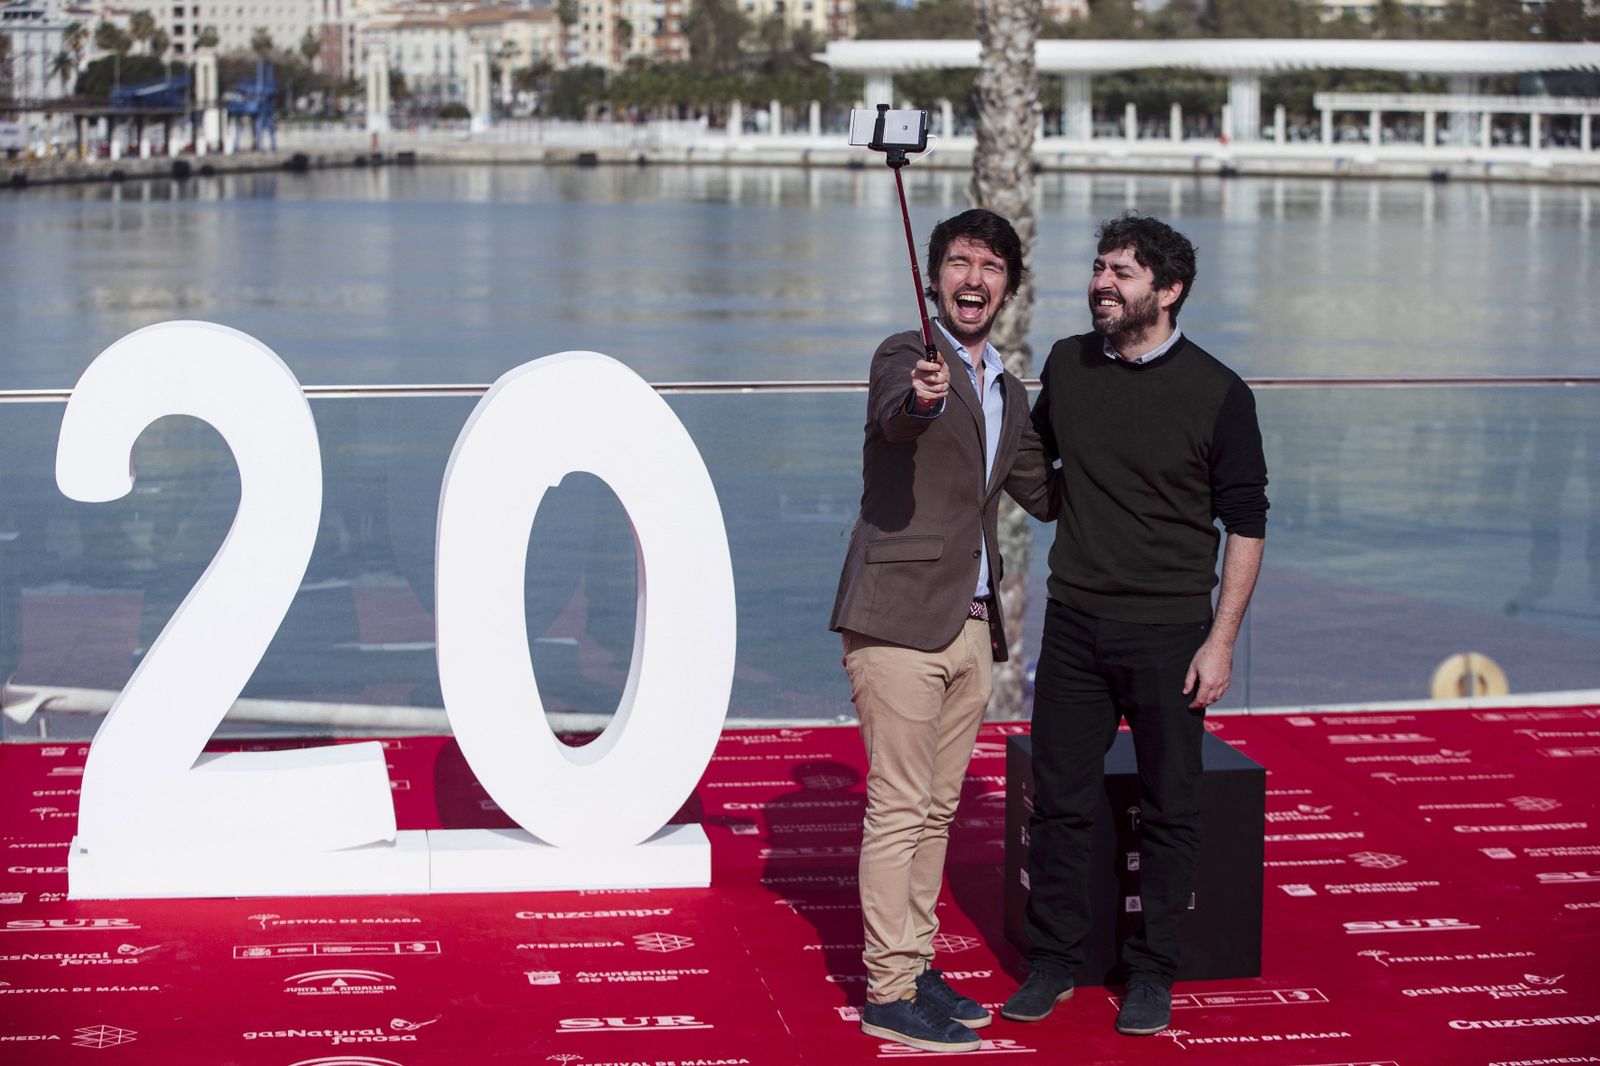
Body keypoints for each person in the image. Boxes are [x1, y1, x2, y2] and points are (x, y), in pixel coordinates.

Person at [1001, 212, 1268, 1037]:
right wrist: (972, 416)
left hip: (1170, 634)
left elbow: (1247, 524)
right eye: (1098, 268)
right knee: (1061, 804)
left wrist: (1219, 641)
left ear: (1169, 289)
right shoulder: (1068, 365)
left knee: (1171, 807)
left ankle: (1154, 971)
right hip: (1076, 623)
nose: (1101, 284)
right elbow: (1034, 464)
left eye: (1121, 272)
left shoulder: (1221, 393)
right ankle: (1053, 962)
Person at [830, 208, 1058, 1054]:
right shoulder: (906, 355)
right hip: (894, 620)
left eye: (991, 265)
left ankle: (915, 964)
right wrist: (921, 397)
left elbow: (1045, 492)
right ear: (936, 278)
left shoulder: (1008, 386)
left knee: (934, 810)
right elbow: (898, 410)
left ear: (1007, 286)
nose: (974, 278)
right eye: (959, 262)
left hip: (968, 625)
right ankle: (889, 990)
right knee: (897, 808)